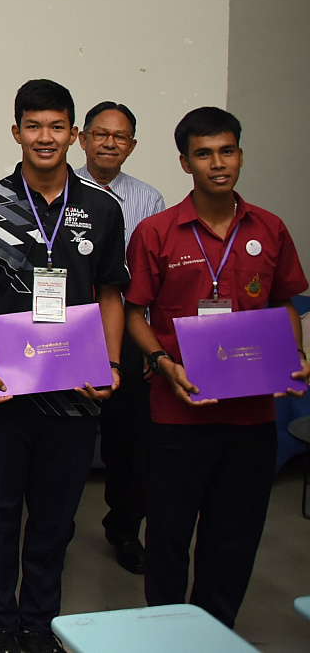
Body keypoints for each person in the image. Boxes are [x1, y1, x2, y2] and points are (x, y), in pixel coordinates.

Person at [0, 80, 128, 653]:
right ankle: (3, 625)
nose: (45, 137)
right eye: (33, 126)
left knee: (56, 519)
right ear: (16, 132)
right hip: (6, 389)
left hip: (74, 392)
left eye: (56, 126)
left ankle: (39, 623)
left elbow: (111, 293)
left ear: (73, 133)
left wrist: (111, 363)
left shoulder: (101, 209)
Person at [124, 107, 309, 629]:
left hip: (252, 417)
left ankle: (215, 631)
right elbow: (135, 313)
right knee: (168, 536)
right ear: (186, 163)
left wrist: (294, 356)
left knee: (234, 538)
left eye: (227, 151)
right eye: (204, 154)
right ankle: (168, 630)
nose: (218, 163)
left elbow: (283, 302)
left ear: (241, 155)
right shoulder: (156, 232)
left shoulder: (270, 228)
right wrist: (161, 362)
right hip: (179, 413)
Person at [75, 101, 166, 575]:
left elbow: (156, 278)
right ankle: (55, 529)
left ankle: (125, 529)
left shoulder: (148, 200)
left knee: (130, 442)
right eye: (101, 134)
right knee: (64, 438)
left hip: (128, 330)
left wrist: (151, 346)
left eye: (120, 136)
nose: (110, 143)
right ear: (83, 138)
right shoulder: (60, 191)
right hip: (70, 329)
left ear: (131, 145)